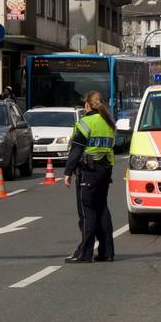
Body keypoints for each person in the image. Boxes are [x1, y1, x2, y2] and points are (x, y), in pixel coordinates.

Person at [64, 91, 117, 263]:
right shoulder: (109, 123)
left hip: (89, 171)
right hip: (105, 170)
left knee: (87, 212)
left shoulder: (85, 123)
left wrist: (67, 172)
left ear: (87, 105)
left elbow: (77, 150)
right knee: (102, 209)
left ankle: (84, 253)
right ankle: (106, 252)